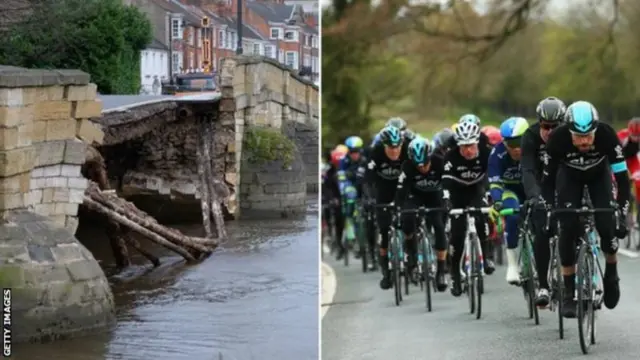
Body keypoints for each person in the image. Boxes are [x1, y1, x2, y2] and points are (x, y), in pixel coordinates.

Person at [541, 100, 632, 318]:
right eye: (579, 137)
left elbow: (622, 179)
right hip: (569, 177)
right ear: (569, 132)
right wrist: (549, 210)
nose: (584, 141)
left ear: (596, 129)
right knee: (568, 228)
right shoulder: (558, 139)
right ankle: (570, 292)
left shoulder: (608, 136)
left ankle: (611, 273)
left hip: (598, 177)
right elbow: (548, 180)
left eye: (589, 136)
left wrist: (621, 210)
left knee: (606, 226)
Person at [521, 96, 566, 307]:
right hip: (541, 184)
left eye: (554, 126)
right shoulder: (530, 136)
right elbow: (528, 170)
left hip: (565, 182)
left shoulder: (569, 136)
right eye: (545, 126)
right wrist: (533, 196)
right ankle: (544, 286)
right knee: (542, 229)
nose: (549, 131)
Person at [442, 120, 494, 296]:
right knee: (456, 235)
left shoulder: (487, 152)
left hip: (476, 191)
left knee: (481, 220)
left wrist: (491, 194)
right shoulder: (451, 157)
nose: (468, 150)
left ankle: (486, 258)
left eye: (471, 146)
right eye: (463, 147)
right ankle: (455, 275)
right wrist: (447, 201)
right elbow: (446, 181)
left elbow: (491, 176)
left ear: (477, 143)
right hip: (457, 195)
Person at [394, 137, 448, 291]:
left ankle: (441, 271)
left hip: (435, 196)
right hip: (415, 196)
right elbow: (400, 190)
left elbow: (447, 183)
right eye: (418, 165)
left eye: (425, 164)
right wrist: (398, 208)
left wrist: (446, 201)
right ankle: (411, 254)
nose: (422, 168)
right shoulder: (407, 166)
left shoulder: (439, 162)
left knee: (439, 226)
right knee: (408, 220)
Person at [360, 125, 409, 290]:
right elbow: (367, 179)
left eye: (397, 147)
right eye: (391, 148)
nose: (394, 151)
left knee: (410, 223)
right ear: (384, 146)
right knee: (384, 233)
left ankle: (413, 259)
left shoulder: (407, 151)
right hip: (383, 193)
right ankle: (386, 273)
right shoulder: (376, 153)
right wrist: (368, 197)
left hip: (402, 191)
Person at [488, 117, 530, 285]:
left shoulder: (536, 149)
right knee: (511, 217)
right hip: (510, 191)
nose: (517, 149)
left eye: (520, 142)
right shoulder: (497, 154)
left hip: (532, 189)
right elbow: (495, 183)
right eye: (511, 144)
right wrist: (497, 202)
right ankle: (512, 265)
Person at [328, 145, 349, 259]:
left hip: (348, 196)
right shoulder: (330, 172)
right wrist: (332, 199)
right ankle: (340, 246)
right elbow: (328, 187)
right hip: (337, 200)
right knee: (338, 223)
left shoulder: (348, 168)